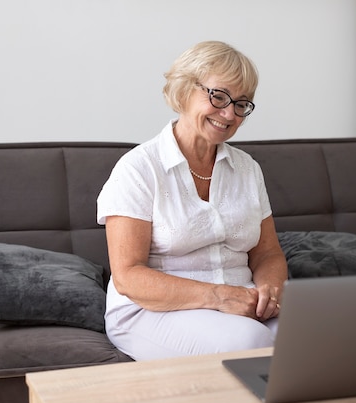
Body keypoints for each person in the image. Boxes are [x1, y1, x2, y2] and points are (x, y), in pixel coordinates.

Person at [97, 40, 288, 361]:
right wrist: (220, 296)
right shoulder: (139, 168)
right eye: (218, 96)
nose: (229, 113)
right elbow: (129, 275)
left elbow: (267, 253)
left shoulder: (247, 169)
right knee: (250, 342)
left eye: (242, 104)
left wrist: (270, 292)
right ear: (184, 90)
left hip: (242, 303)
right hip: (151, 310)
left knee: (313, 339)